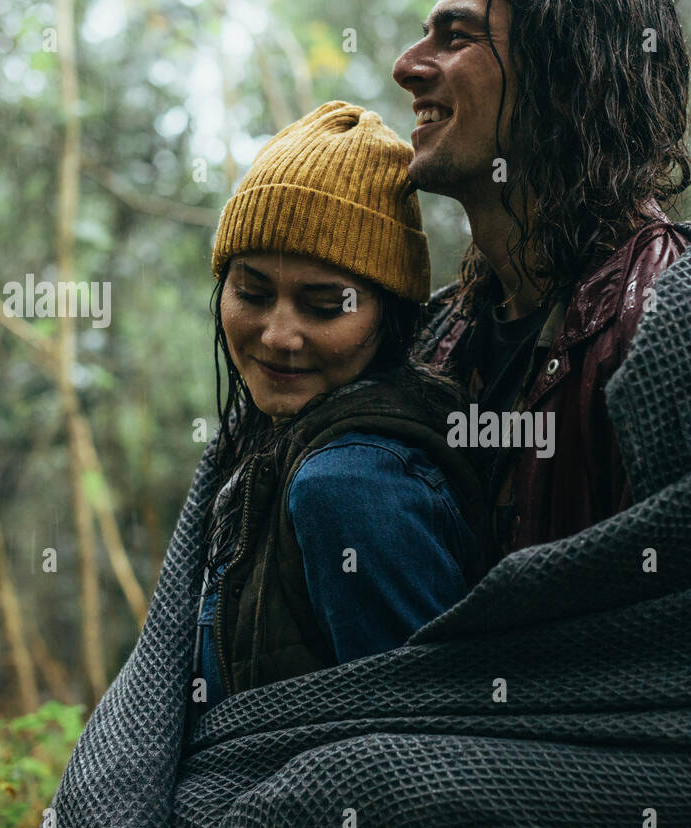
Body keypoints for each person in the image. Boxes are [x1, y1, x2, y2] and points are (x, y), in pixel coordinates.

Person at [190, 100, 489, 721]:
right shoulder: (265, 450)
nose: (277, 335)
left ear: (393, 320)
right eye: (251, 292)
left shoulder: (352, 486)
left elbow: (417, 752)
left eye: (324, 305)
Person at [393, 0, 691, 561]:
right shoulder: (435, 338)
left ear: (568, 72)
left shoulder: (673, 320)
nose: (406, 66)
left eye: (457, 36)